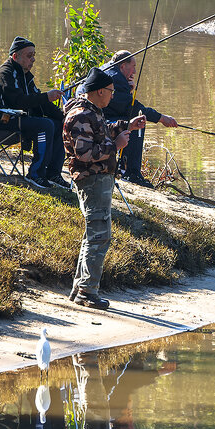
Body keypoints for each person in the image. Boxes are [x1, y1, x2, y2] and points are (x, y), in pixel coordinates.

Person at [63, 67, 146, 310]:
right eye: (110, 91)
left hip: (100, 179)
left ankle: (80, 288)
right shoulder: (78, 116)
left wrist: (126, 126)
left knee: (94, 234)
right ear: (99, 91)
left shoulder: (91, 112)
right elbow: (85, 153)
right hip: (92, 180)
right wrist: (115, 146)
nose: (113, 95)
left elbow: (100, 133)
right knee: (99, 235)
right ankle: (87, 293)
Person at [0, 36, 69, 190]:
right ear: (15, 56)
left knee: (59, 124)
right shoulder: (6, 73)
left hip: (20, 119)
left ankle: (53, 173)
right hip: (4, 121)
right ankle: (36, 174)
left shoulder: (25, 76)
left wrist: (65, 116)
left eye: (34, 55)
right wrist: (47, 96)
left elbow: (40, 104)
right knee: (45, 126)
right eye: (29, 55)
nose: (33, 59)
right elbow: (17, 101)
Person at [101, 50, 177, 187]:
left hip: (100, 116)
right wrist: (162, 118)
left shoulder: (107, 69)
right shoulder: (116, 79)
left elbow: (120, 105)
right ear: (123, 66)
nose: (135, 72)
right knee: (138, 120)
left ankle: (122, 168)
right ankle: (132, 173)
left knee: (133, 119)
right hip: (99, 121)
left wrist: (129, 91)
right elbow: (135, 108)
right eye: (133, 66)